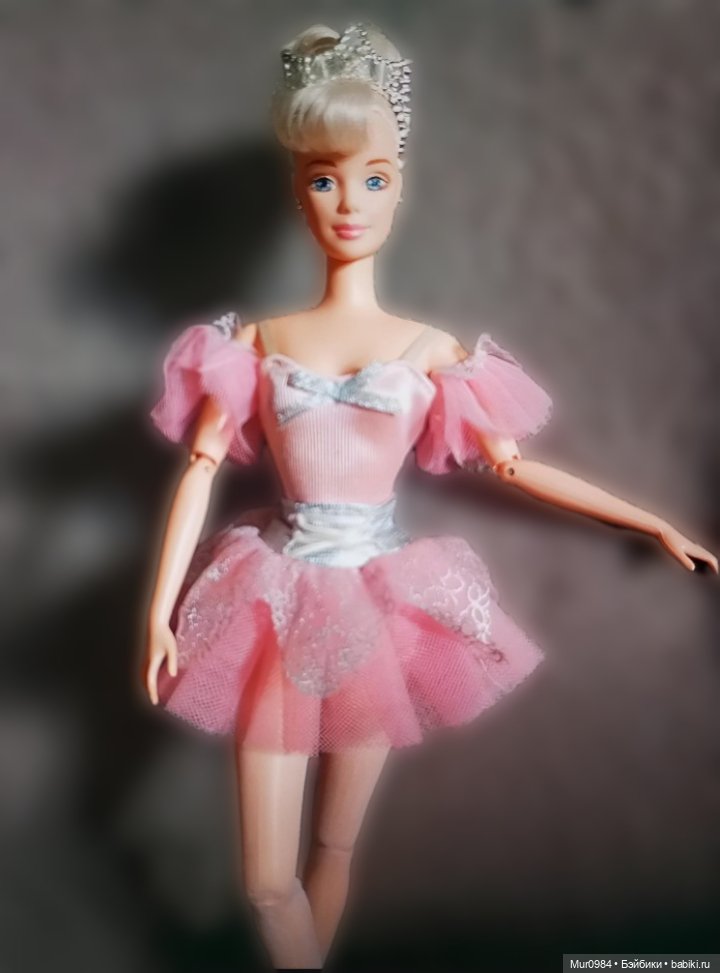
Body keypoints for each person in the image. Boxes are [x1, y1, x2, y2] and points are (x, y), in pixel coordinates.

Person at [143, 22, 717, 970]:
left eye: (372, 179)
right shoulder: (255, 343)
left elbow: (513, 465)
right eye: (325, 180)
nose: (349, 204)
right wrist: (160, 611)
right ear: (299, 191)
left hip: (377, 602)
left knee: (335, 848)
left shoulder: (433, 353)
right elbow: (201, 469)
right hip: (275, 596)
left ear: (399, 186)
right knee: (267, 881)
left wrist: (651, 520)